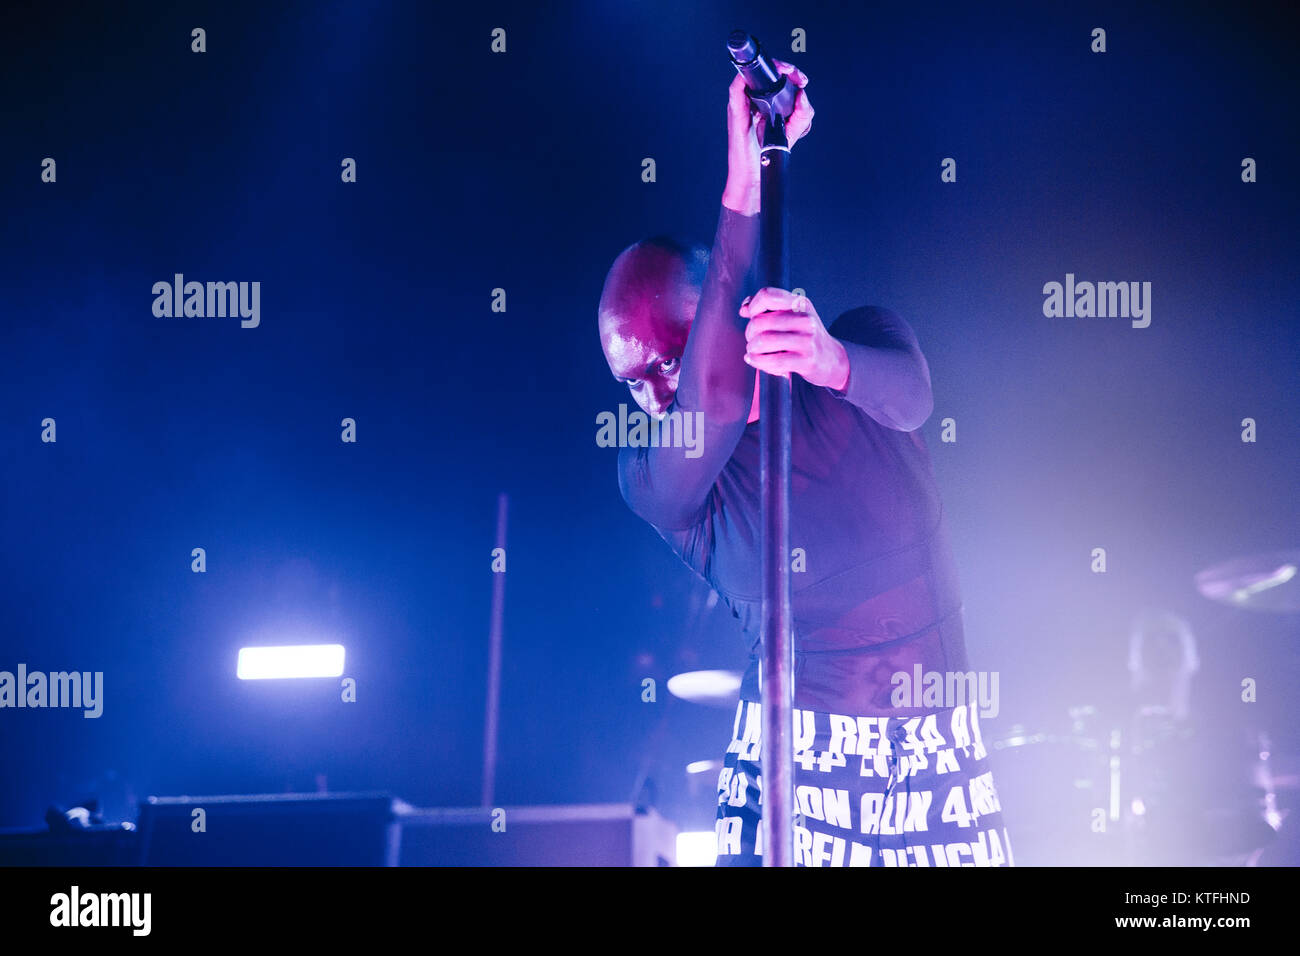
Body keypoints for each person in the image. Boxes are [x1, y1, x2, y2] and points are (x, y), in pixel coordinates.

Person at [599, 61, 1012, 866]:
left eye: (663, 359)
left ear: (721, 314)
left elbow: (913, 397)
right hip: (799, 764)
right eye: (630, 379)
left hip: (939, 750)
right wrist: (744, 186)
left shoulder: (861, 344)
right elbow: (713, 403)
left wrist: (827, 360)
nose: (650, 391)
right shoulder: (657, 480)